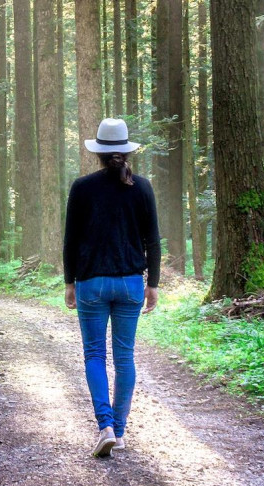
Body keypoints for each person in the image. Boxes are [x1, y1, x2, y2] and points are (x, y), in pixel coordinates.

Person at [62, 118, 161, 458]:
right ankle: (118, 431)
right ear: (126, 151)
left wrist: (69, 282)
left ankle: (104, 425)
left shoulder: (82, 187)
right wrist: (153, 284)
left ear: (99, 153)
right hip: (131, 283)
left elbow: (70, 240)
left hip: (91, 283)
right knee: (124, 357)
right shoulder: (142, 187)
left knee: (94, 354)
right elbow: (153, 241)